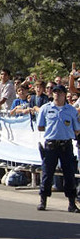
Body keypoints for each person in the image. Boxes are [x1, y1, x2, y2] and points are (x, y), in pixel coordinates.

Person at [36, 84, 80, 213]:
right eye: (55, 92)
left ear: (65, 94)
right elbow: (40, 126)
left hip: (65, 145)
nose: (57, 94)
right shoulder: (45, 108)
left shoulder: (71, 110)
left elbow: (77, 129)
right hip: (51, 145)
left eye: (60, 92)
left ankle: (72, 203)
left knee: (69, 174)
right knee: (47, 173)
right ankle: (43, 200)